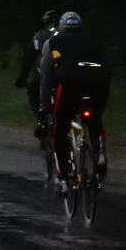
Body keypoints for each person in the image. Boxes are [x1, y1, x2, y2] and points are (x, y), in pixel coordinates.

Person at [39, 11, 111, 181]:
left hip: (69, 86)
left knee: (61, 124)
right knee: (95, 119)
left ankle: (62, 172)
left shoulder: (53, 42)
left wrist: (45, 105)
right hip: (97, 84)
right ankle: (99, 152)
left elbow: (46, 76)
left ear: (61, 27)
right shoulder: (94, 40)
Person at [14, 10, 59, 138]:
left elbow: (29, 58)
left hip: (43, 75)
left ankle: (41, 120)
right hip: (63, 74)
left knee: (33, 91)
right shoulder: (66, 36)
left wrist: (21, 79)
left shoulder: (40, 36)